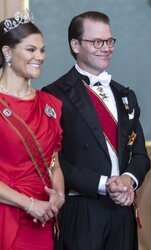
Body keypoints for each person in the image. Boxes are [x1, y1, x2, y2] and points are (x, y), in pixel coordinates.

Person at [43, 11, 150, 250]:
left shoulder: (125, 95)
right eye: (97, 42)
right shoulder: (53, 95)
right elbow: (53, 161)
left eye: (110, 41)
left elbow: (141, 154)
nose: (106, 48)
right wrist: (104, 184)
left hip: (123, 208)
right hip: (82, 209)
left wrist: (127, 180)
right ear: (75, 45)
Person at [0, 10, 65, 250]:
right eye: (31, 49)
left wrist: (59, 192)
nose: (40, 56)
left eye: (42, 50)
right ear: (7, 52)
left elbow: (53, 162)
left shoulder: (50, 104)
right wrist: (28, 204)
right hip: (6, 214)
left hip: (42, 217)